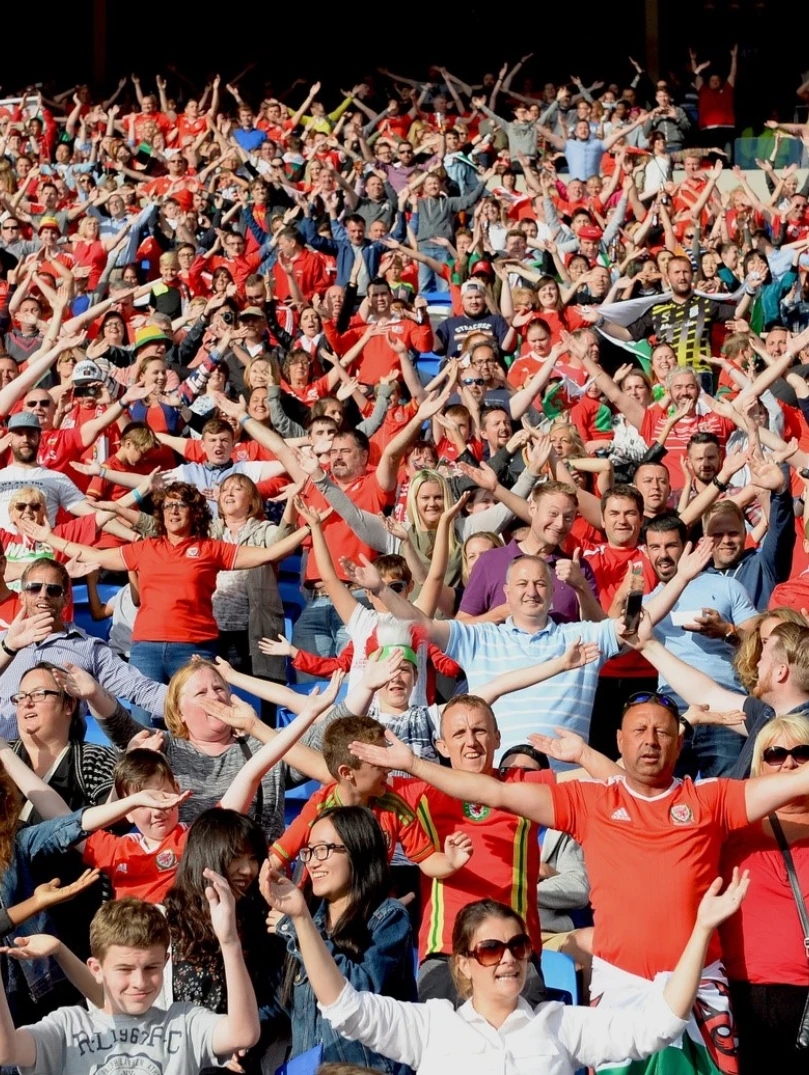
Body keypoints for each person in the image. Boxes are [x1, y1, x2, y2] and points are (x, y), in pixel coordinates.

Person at [261, 862, 749, 1075]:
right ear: (464, 964)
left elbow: (658, 1026)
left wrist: (701, 930)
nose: (510, 958)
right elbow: (343, 1008)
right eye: (491, 949)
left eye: (518, 945)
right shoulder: (431, 1026)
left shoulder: (560, 1023)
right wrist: (303, 919)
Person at [342, 539, 712, 757]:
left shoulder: (579, 636)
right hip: (494, 775)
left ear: (553, 593)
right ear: (505, 592)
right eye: (521, 584)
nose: (531, 591)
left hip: (563, 783)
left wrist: (680, 577)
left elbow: (634, 627)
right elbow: (420, 623)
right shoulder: (480, 638)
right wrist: (381, 590)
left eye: (540, 584)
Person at [24, 482, 308, 690]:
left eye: (181, 505)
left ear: (195, 512)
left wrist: (311, 528)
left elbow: (271, 554)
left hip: (194, 647)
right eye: (168, 505)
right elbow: (95, 556)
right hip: (145, 648)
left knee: (195, 724)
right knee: (143, 724)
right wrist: (50, 538)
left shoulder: (211, 548)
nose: (173, 511)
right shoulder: (145, 547)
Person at [0, 882, 261, 1074]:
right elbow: (6, 1050)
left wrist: (229, 942)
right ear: (96, 969)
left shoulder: (184, 1022)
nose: (140, 982)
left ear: (166, 963)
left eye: (151, 968)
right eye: (125, 969)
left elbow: (244, 1034)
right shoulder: (68, 1027)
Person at [262, 806, 417, 1072]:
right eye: (308, 852)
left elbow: (356, 993)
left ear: (358, 850)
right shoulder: (307, 921)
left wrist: (302, 930)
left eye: (323, 849)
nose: (312, 862)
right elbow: (285, 1005)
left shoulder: (388, 918)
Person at [720, 715, 809, 1075]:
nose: (788, 762)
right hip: (749, 994)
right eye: (775, 754)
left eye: (802, 752)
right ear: (759, 765)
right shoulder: (731, 824)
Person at [0, 558, 168, 739]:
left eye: (53, 589)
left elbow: (140, 688)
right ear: (22, 596)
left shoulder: (88, 648)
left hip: (65, 760)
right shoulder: (4, 644)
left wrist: (190, 700)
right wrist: (8, 647)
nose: (43, 595)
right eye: (34, 588)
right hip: (6, 757)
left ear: (65, 599)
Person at [634, 613, 809, 779]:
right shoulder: (767, 713)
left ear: (780, 672)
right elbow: (707, 694)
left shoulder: (802, 733)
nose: (757, 664)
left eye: (763, 658)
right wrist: (647, 645)